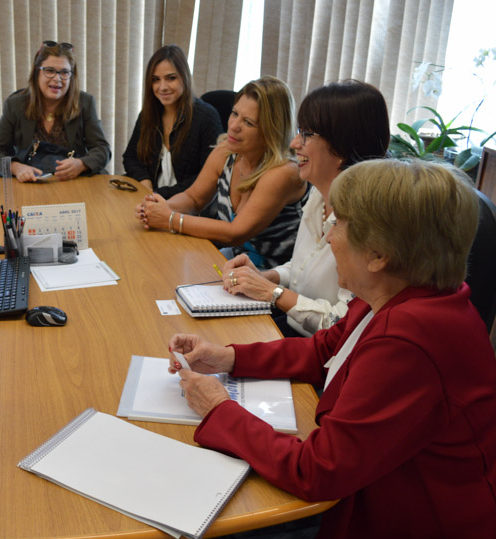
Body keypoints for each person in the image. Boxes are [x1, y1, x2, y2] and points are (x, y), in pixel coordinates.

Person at [168, 159, 496, 539]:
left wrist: (220, 409)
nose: (329, 237)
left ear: (378, 254)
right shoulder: (396, 293)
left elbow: (318, 471)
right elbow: (324, 350)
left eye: (339, 224)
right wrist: (227, 357)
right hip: (391, 506)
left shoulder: (410, 341)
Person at [221, 80, 390, 336]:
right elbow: (302, 268)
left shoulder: (370, 223)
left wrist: (273, 294)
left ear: (341, 146)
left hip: (321, 353)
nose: (294, 143)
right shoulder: (319, 195)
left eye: (306, 134)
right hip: (292, 328)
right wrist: (268, 277)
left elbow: (341, 325)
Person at [136, 76, 308, 269]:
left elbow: (235, 233)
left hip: (272, 276)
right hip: (234, 264)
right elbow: (193, 199)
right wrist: (161, 207)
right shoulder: (225, 151)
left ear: (272, 130)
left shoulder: (284, 172)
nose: (234, 126)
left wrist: (170, 218)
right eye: (234, 114)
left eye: (249, 123)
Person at [0, 41, 111, 181]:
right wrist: (16, 167)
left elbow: (102, 149)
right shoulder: (16, 104)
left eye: (64, 72)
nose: (57, 79)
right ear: (37, 72)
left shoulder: (85, 102)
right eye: (49, 71)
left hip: (73, 181)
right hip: (30, 183)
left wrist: (81, 164)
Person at [122, 45, 223, 198]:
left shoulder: (206, 117)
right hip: (150, 199)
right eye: (155, 80)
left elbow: (207, 177)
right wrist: (145, 182)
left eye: (171, 78)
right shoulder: (148, 114)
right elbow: (131, 157)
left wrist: (158, 195)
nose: (162, 87)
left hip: (189, 206)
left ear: (185, 77)